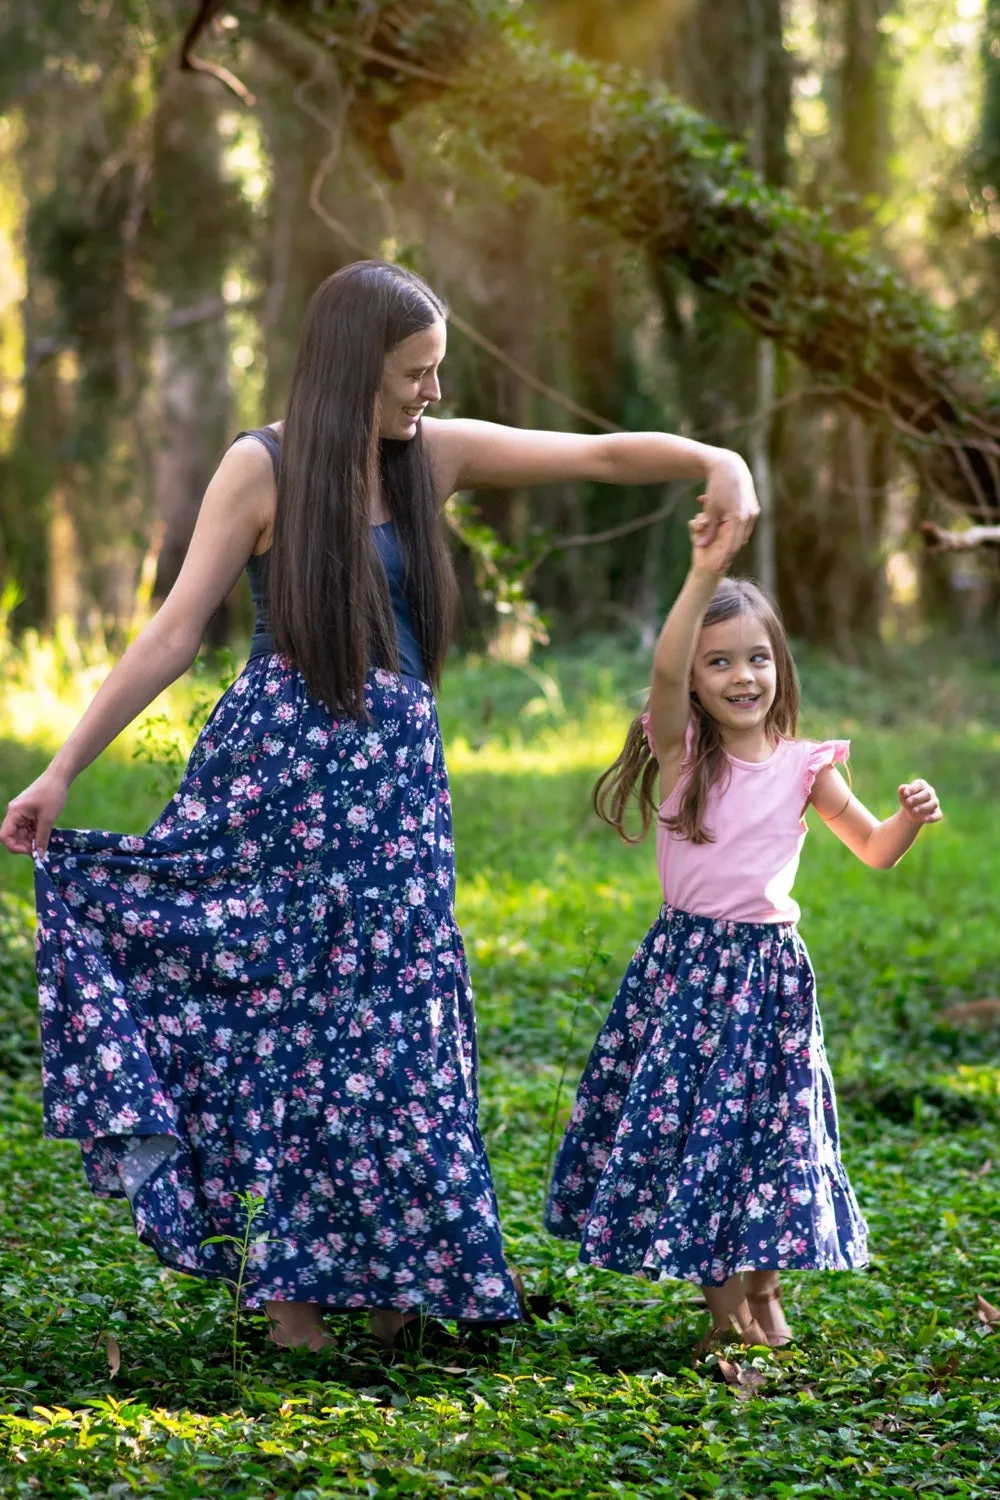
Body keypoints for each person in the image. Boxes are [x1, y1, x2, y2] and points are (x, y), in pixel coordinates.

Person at [1, 259, 759, 1353]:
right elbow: (174, 632)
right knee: (299, 1027)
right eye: (416, 373)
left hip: (397, 790)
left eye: (439, 373)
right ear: (359, 366)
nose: (433, 395)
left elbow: (592, 454)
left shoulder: (427, 461)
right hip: (280, 779)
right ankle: (293, 1302)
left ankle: (404, 1282)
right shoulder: (258, 468)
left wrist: (714, 457)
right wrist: (61, 769)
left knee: (404, 1024)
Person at [544, 513, 942, 1348]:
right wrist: (700, 577)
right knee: (704, 1132)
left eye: (756, 657)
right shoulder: (685, 753)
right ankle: (725, 1307)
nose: (742, 676)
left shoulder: (807, 766)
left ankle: (764, 1292)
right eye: (718, 661)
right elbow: (660, 668)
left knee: (775, 1135)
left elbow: (872, 850)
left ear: (779, 665)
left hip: (773, 978)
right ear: (691, 680)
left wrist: (910, 820)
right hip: (692, 973)